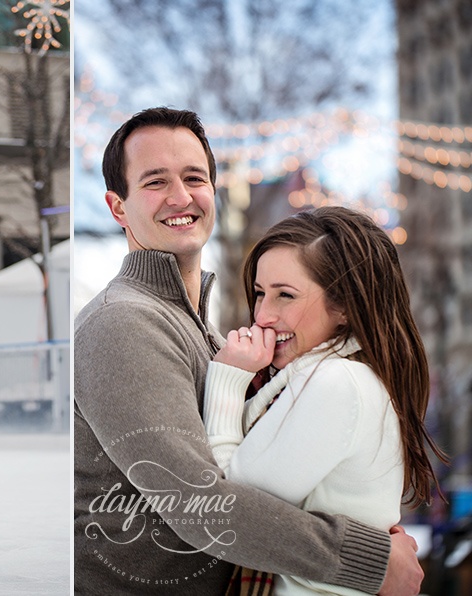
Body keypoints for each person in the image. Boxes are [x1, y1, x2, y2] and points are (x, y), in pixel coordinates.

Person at [74, 107, 425, 595]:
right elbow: (200, 504)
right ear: (117, 208)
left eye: (194, 177)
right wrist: (368, 559)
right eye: (155, 182)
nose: (181, 196)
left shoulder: (211, 336)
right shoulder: (123, 322)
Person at [203, 206, 447, 594]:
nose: (263, 315)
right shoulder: (322, 378)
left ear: (345, 306)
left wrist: (226, 379)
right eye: (260, 293)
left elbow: (231, 510)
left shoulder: (337, 382)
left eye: (286, 295)